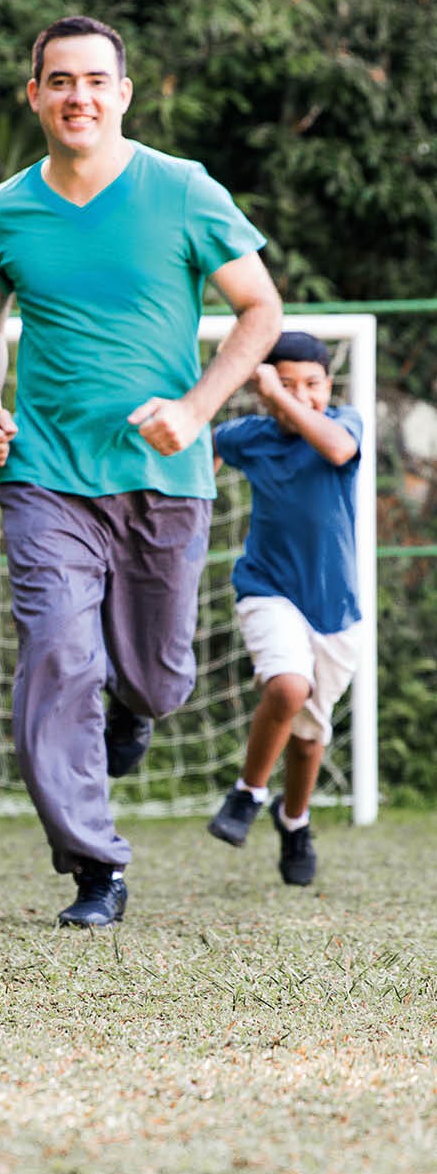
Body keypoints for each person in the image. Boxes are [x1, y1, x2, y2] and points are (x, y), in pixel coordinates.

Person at [0, 14, 283, 928]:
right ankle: (94, 869)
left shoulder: (182, 190)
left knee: (158, 677)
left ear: (123, 93)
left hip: (164, 479)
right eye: (59, 81)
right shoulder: (4, 208)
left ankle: (135, 709)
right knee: (58, 657)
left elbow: (260, 309)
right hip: (46, 474)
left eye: (95, 80)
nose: (78, 97)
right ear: (35, 95)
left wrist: (194, 410)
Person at [207, 332, 363, 885]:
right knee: (288, 686)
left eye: (312, 384)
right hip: (267, 588)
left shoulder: (343, 425)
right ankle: (248, 792)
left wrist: (284, 397)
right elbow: (198, 453)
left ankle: (294, 820)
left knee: (308, 738)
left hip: (336, 609)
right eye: (286, 383)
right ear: (261, 391)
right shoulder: (252, 436)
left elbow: (339, 451)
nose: (303, 394)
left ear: (329, 386)